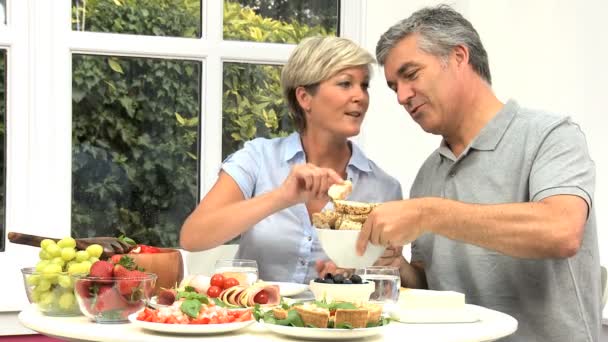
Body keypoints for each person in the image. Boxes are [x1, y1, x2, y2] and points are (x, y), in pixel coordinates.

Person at [356, 5, 600, 341]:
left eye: (411, 74)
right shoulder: (428, 174)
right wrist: (398, 267)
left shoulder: (551, 135)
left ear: (458, 57)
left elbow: (562, 230)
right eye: (393, 86)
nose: (401, 96)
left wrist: (429, 213)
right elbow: (433, 285)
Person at [180, 36, 403, 284]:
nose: (360, 96)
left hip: (339, 321)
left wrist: (362, 270)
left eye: (364, 85)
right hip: (257, 319)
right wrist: (282, 197)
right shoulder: (257, 158)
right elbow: (193, 236)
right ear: (304, 98)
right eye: (345, 84)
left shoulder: (385, 188)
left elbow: (393, 280)